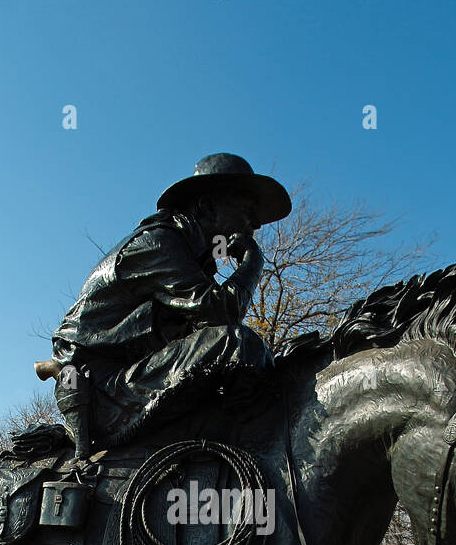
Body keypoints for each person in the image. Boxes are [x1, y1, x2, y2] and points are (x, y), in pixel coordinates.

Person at [49, 153, 292, 456]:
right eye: (246, 211)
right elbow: (222, 314)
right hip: (100, 393)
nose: (254, 224)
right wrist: (253, 261)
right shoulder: (160, 243)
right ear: (206, 207)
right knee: (237, 343)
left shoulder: (192, 259)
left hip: (131, 379)